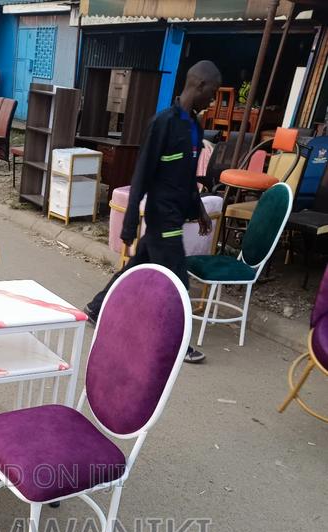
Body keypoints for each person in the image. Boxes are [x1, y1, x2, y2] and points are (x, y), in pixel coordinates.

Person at [84, 60, 222, 363]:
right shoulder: (163, 123)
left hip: (176, 212)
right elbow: (142, 175)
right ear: (198, 86)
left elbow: (188, 177)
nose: (212, 100)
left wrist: (198, 208)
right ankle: (178, 342)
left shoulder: (194, 127)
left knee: (137, 264)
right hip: (162, 217)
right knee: (177, 280)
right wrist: (130, 222)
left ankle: (96, 307)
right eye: (211, 93)